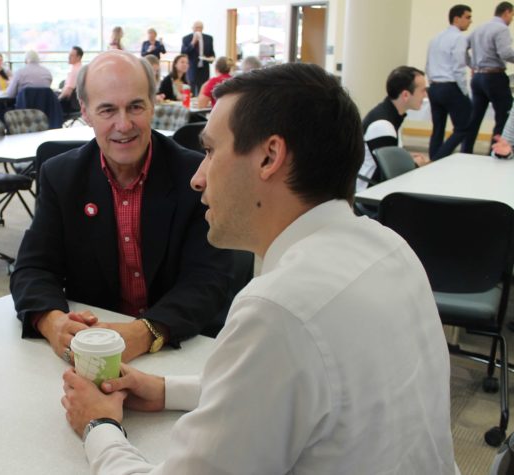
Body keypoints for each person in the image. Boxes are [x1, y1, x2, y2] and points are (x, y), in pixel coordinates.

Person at [60, 62, 456, 474]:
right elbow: (281, 392)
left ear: (269, 157)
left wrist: (99, 425)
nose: (198, 177)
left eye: (211, 151)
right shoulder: (391, 248)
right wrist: (164, 390)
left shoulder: (279, 309)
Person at [10, 50, 239, 363]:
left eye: (135, 107)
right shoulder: (61, 176)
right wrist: (53, 322)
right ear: (86, 112)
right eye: (107, 110)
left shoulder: (195, 176)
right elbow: (33, 268)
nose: (124, 124)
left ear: (152, 104)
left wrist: (145, 331)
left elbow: (209, 280)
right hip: (94, 347)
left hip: (181, 347)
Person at [357, 66, 430, 191]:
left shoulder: (390, 116)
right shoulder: (383, 125)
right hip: (370, 192)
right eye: (422, 91)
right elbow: (391, 172)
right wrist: (416, 164)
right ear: (406, 95)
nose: (425, 95)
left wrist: (406, 157)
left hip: (376, 187)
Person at [462, 1, 514, 153]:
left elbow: (462, 47)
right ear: (506, 12)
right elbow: (505, 53)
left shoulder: (480, 27)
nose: (511, 19)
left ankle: (466, 151)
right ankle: (495, 151)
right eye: (512, 15)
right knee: (503, 117)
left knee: (474, 118)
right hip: (494, 77)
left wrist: (472, 65)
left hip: (477, 78)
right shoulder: (501, 28)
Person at [426, 4, 473, 160]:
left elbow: (428, 65)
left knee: (438, 128)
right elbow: (458, 66)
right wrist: (465, 92)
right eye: (467, 17)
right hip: (450, 86)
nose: (470, 21)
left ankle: (432, 160)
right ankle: (438, 159)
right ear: (456, 18)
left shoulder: (435, 38)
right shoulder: (459, 38)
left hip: (434, 87)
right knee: (464, 126)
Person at [181, 20, 215, 96]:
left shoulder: (209, 38)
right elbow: (183, 53)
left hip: (204, 68)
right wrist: (193, 42)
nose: (198, 29)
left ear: (202, 28)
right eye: (196, 28)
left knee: (203, 90)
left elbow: (212, 53)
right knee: (191, 91)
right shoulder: (186, 38)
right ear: (192, 28)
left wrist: (212, 58)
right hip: (191, 68)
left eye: (200, 28)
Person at [59, 46, 83, 112]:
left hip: (71, 104)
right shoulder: (80, 68)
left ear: (78, 57)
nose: (69, 57)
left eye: (71, 55)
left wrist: (56, 100)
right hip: (77, 102)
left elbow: (67, 92)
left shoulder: (74, 71)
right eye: (69, 55)